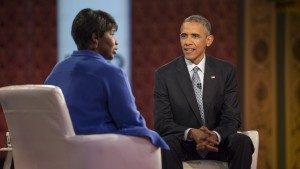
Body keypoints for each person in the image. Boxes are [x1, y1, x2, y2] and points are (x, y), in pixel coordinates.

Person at [45, 8, 169, 150]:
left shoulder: (57, 70)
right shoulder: (112, 72)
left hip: (58, 153)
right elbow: (132, 123)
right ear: (95, 38)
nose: (116, 42)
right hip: (98, 153)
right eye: (111, 34)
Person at [153, 15, 254, 169]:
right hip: (184, 144)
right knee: (166, 143)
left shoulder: (225, 71)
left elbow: (232, 118)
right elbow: (162, 123)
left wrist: (214, 136)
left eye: (195, 36)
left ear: (209, 40)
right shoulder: (164, 74)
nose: (187, 42)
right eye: (184, 36)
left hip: (217, 143)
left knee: (243, 142)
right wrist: (192, 133)